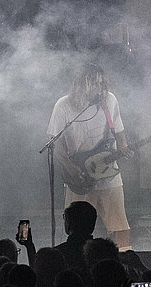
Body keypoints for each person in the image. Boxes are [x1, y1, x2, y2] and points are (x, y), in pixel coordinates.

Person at [46, 63, 133, 250]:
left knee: (119, 224)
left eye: (100, 83)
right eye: (92, 83)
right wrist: (70, 168)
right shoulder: (63, 105)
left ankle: (125, 258)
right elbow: (56, 143)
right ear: (80, 83)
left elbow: (119, 131)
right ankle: (77, 260)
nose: (97, 87)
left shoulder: (109, 100)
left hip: (108, 173)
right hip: (79, 174)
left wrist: (123, 146)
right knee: (76, 226)